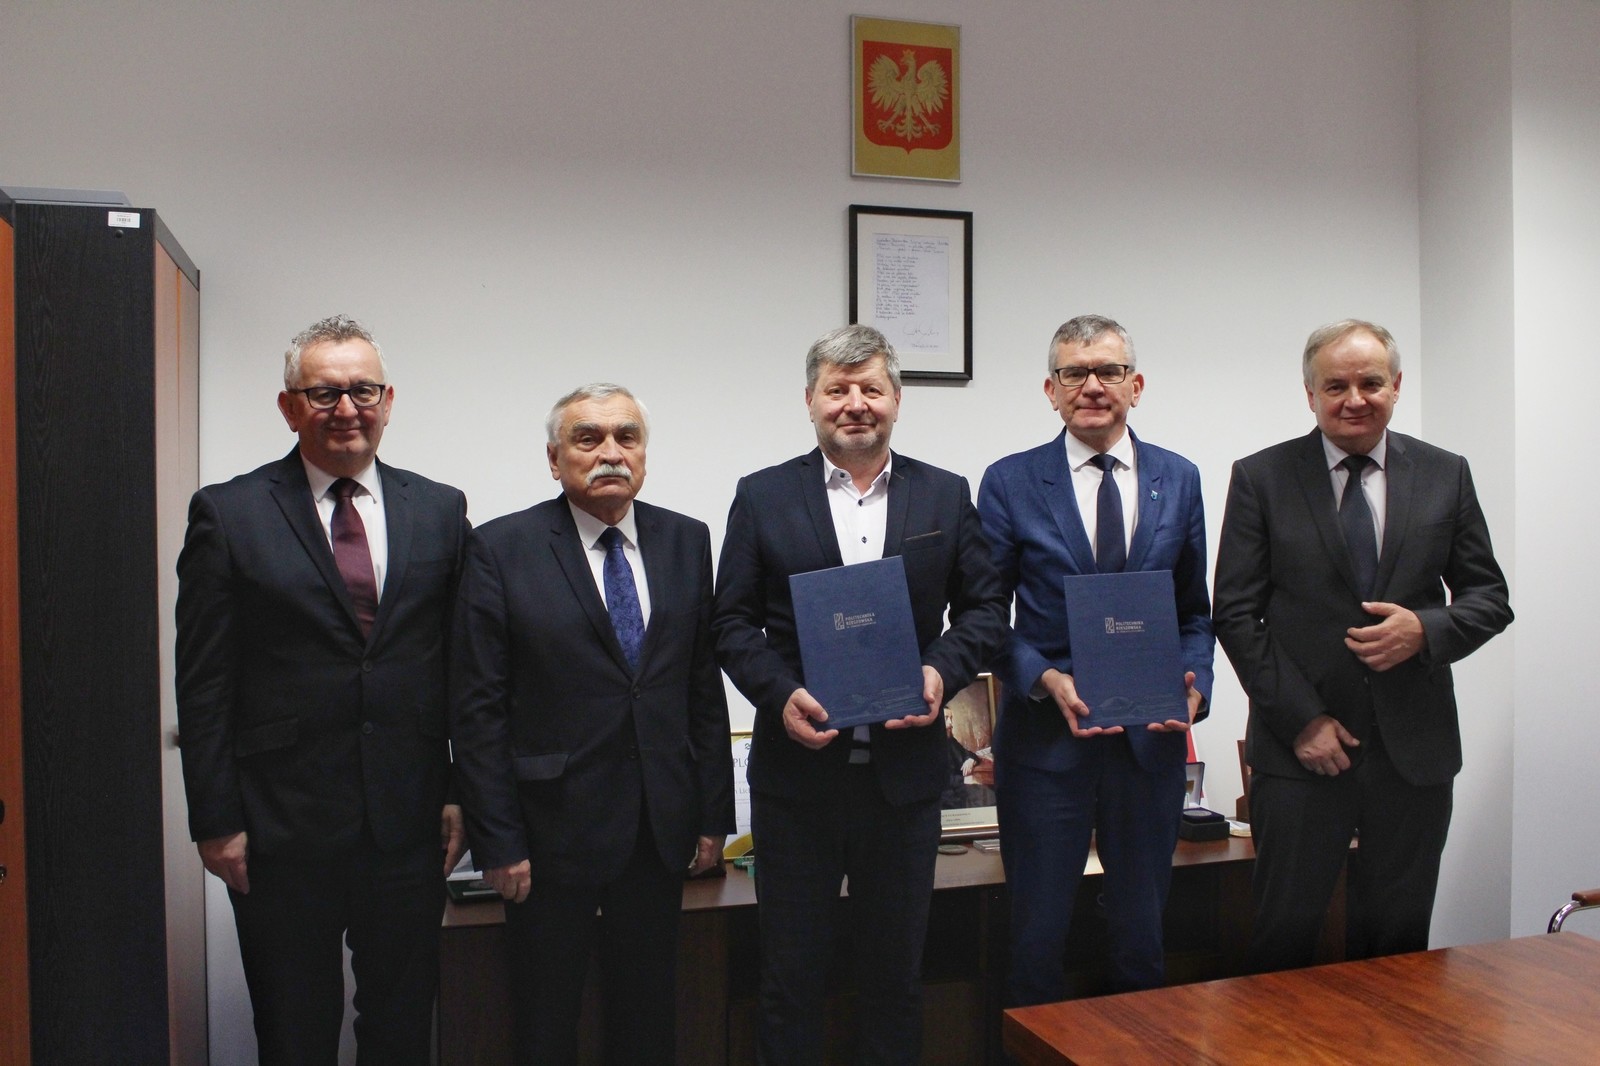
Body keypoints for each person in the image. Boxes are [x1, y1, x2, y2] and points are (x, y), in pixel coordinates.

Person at [175, 314, 468, 1065]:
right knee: (294, 1033)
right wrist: (215, 820)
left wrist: (459, 789)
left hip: (407, 823)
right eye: (324, 393)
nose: (346, 408)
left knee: (402, 1032)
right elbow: (204, 681)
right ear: (289, 407)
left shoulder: (440, 510)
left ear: (388, 400)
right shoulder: (229, 513)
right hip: (278, 827)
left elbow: (461, 667)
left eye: (363, 390)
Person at [712, 324, 1008, 1065]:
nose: (855, 404)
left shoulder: (944, 493)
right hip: (796, 783)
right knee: (790, 979)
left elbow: (984, 610)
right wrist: (780, 694)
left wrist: (940, 672)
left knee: (894, 978)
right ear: (811, 401)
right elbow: (731, 623)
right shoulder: (762, 495)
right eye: (837, 389)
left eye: (871, 388)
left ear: (896, 400)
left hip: (904, 785)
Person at [1213, 319, 1512, 973]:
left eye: (1371, 383)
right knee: (1283, 943)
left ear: (1396, 386)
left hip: (1414, 753)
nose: (1355, 399)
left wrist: (1425, 631)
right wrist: (1303, 720)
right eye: (1336, 386)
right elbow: (1235, 615)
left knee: (1398, 953)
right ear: (1310, 394)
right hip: (1300, 753)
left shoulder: (1445, 474)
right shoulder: (1262, 477)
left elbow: (1490, 598)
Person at [449, 383, 734, 1065]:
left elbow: (701, 686)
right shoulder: (500, 547)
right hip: (548, 832)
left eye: (626, 437)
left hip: (656, 827)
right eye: (588, 439)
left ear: (644, 453)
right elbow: (478, 708)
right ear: (555, 459)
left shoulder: (685, 539)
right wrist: (497, 839)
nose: (611, 453)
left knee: (648, 1017)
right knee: (546, 1021)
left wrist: (711, 812)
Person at [975, 314, 1213, 1004]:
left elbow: (1195, 613)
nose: (1092, 386)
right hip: (1046, 750)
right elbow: (986, 618)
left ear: (1135, 386)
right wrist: (1044, 679)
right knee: (1036, 943)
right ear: (1050, 390)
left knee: (1141, 943)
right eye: (1074, 372)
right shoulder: (1010, 482)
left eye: (1109, 370)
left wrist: (1196, 688)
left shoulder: (1180, 478)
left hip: (1148, 750)